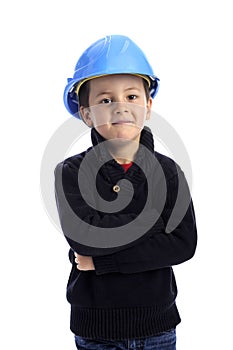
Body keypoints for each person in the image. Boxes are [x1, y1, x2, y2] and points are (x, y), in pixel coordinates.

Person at [54, 35, 197, 350]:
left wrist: (104, 262)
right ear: (86, 113)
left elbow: (183, 244)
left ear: (148, 105)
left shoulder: (169, 172)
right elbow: (84, 239)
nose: (120, 106)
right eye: (105, 100)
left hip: (158, 327)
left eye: (132, 96)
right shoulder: (71, 172)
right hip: (97, 331)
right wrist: (156, 222)